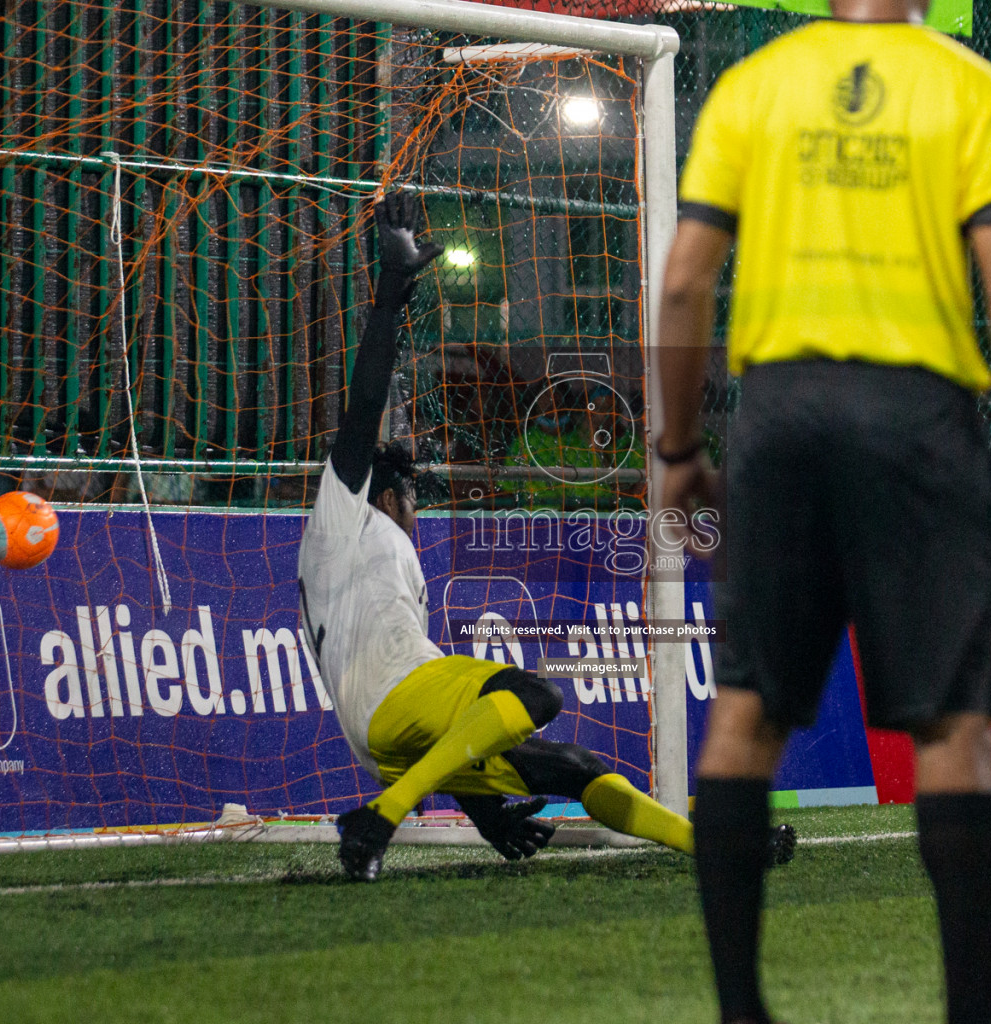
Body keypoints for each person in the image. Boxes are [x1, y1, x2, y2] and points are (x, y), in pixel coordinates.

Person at [655, 3, 991, 1023]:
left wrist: (677, 449)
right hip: (920, 423)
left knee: (747, 712)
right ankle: (972, 1013)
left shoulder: (754, 85)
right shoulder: (973, 89)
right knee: (953, 728)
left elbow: (682, 284)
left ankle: (741, 1011)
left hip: (782, 418)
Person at [298, 193, 795, 882]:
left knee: (572, 767)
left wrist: (487, 814)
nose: (417, 510)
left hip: (390, 736)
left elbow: (449, 729)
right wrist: (393, 288)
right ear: (388, 494)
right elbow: (363, 406)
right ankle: (382, 815)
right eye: (412, 496)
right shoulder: (342, 519)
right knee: (538, 697)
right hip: (395, 705)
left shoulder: (393, 563)